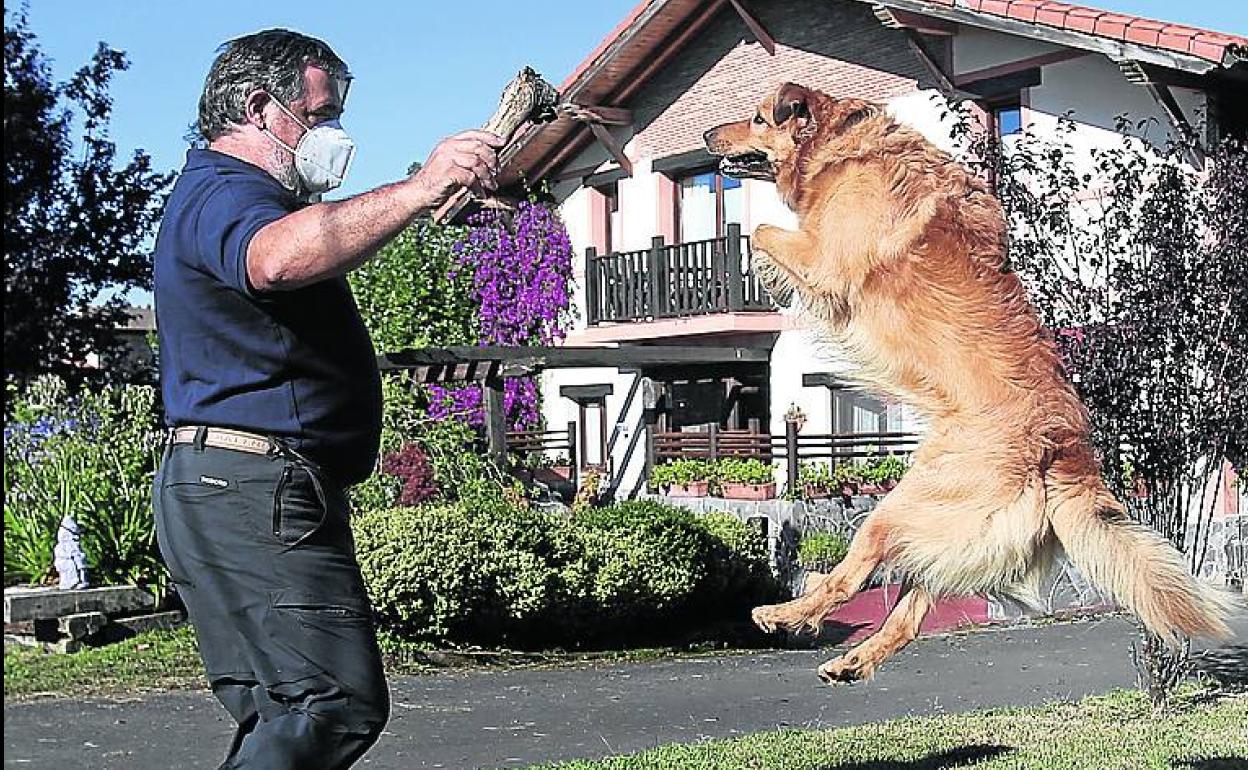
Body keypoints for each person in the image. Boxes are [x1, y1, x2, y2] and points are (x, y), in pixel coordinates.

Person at [151, 28, 501, 769]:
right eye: (321, 115)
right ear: (258, 107)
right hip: (253, 486)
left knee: (283, 710)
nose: (335, 136)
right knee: (332, 704)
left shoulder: (218, 195)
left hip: (229, 484)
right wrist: (419, 188)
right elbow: (274, 259)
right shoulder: (227, 193)